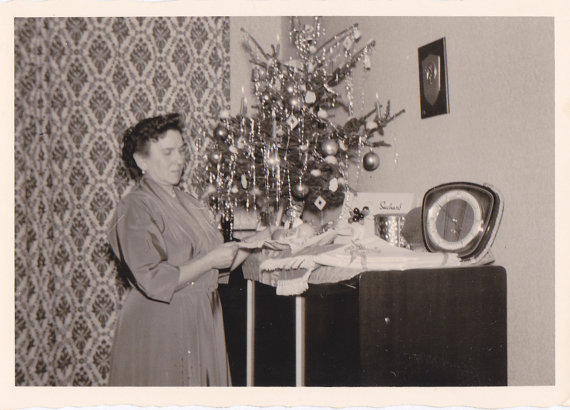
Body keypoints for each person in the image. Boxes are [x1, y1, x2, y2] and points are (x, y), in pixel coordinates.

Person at [107, 113, 269, 386]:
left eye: (181, 151)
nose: (179, 160)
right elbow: (153, 279)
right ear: (141, 160)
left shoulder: (189, 202)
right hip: (161, 325)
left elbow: (219, 266)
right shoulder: (134, 207)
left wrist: (263, 238)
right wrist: (210, 260)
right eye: (168, 152)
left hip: (202, 317)